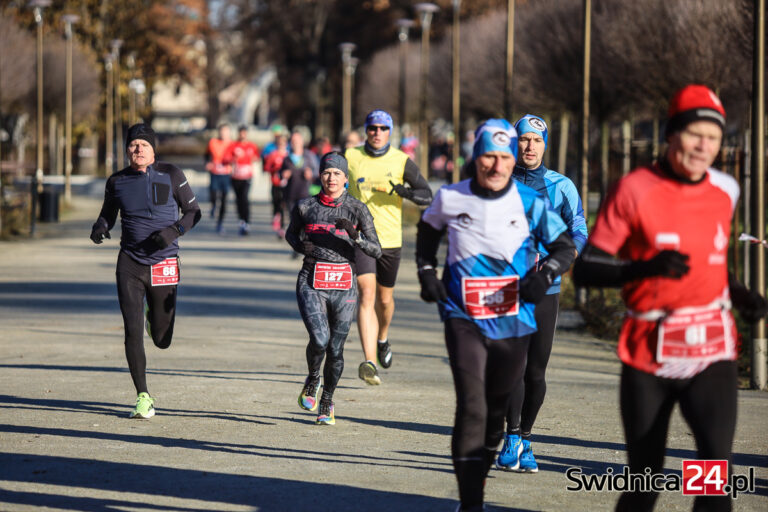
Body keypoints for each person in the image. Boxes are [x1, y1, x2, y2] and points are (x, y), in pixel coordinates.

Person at [572, 85, 767, 512]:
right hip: (648, 351)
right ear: (671, 135)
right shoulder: (634, 189)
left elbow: (710, 260)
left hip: (711, 349)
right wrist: (646, 267)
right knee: (646, 481)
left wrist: (740, 295)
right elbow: (586, 268)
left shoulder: (725, 190)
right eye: (694, 134)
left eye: (713, 137)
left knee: (714, 479)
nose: (704, 146)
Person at [416, 119, 575, 512]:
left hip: (513, 320)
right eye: (489, 156)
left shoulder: (531, 202)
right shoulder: (450, 197)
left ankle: (500, 443)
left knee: (495, 412)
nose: (497, 165)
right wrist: (426, 273)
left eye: (504, 157)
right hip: (463, 316)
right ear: (476, 157)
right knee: (471, 405)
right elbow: (427, 232)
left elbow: (565, 246)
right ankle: (471, 502)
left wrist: (545, 277)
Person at [496, 114, 588, 473]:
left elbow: (579, 229)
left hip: (546, 287)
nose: (529, 146)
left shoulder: (561, 185)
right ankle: (512, 436)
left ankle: (528, 439)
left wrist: (558, 261)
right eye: (523, 139)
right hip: (506, 287)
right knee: (511, 368)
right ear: (513, 143)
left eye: (536, 140)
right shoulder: (499, 183)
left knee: (535, 371)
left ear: (545, 144)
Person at [90, 123, 201, 419]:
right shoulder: (117, 181)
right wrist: (101, 226)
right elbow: (107, 214)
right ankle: (143, 396)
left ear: (153, 149)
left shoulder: (171, 174)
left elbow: (194, 213)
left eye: (144, 144)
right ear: (127, 149)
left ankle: (157, 319)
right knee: (131, 331)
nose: (138, 149)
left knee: (162, 339)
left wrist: (172, 232)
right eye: (133, 144)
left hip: (164, 263)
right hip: (130, 262)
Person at [285, 152, 382, 425]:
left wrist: (355, 235)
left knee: (336, 349)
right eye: (327, 172)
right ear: (320, 175)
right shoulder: (305, 206)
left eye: (337, 173)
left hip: (344, 283)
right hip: (311, 279)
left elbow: (376, 249)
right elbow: (291, 233)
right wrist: (299, 245)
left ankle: (327, 401)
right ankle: (313, 377)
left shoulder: (357, 208)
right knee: (319, 340)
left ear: (345, 178)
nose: (331, 178)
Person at [345, 109, 432, 385]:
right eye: (373, 128)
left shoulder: (401, 160)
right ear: (366, 130)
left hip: (391, 240)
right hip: (361, 238)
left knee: (384, 300)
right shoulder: (350, 156)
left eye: (383, 128)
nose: (377, 133)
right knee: (366, 294)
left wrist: (406, 192)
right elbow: (330, 181)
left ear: (390, 132)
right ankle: (370, 361)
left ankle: (383, 338)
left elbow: (427, 195)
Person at [281, 130, 320, 231]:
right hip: (290, 194)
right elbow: (280, 174)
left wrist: (311, 174)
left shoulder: (309, 156)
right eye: (293, 141)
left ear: (302, 142)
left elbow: (317, 172)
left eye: (297, 140)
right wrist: (284, 174)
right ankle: (296, 242)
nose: (295, 143)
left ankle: (304, 240)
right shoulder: (286, 158)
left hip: (305, 194)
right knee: (293, 220)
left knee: (305, 220)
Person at [226, 125, 260, 236]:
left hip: (247, 176)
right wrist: (233, 159)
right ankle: (241, 221)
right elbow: (226, 159)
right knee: (238, 200)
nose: (242, 135)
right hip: (236, 176)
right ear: (238, 134)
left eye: (244, 133)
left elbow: (257, 157)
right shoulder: (233, 145)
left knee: (245, 198)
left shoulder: (251, 146)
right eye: (241, 133)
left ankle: (247, 221)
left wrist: (253, 158)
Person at [205, 123, 233, 234]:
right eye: (222, 131)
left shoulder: (232, 144)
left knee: (224, 199)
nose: (223, 134)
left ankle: (220, 223)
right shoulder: (213, 142)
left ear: (229, 133)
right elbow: (206, 155)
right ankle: (213, 205)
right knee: (213, 192)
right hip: (215, 172)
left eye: (226, 132)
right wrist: (207, 163)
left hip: (227, 173)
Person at [264, 133, 289, 236]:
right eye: (280, 143)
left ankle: (282, 227)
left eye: (283, 143)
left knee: (283, 204)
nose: (281, 145)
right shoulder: (273, 154)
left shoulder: (288, 155)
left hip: (286, 184)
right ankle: (276, 215)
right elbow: (266, 168)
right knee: (276, 202)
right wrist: (274, 169)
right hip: (275, 183)